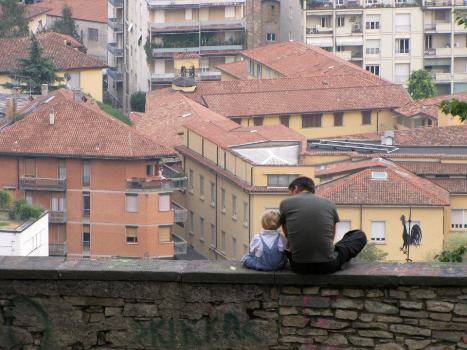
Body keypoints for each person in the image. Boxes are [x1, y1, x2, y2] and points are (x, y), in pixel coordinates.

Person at [280, 176, 367, 274]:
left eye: (290, 193)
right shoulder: (329, 203)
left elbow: (287, 233)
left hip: (298, 266)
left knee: (277, 237)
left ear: (295, 188)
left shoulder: (285, 203)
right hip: (328, 265)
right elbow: (332, 236)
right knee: (359, 235)